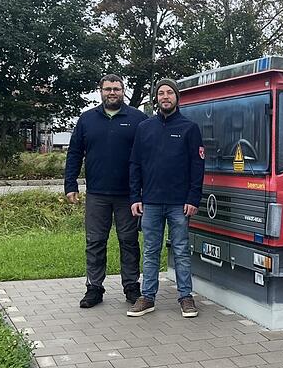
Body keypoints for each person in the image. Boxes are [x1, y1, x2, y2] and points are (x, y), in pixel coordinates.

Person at [64, 74, 147, 309]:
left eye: (117, 89)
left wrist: (144, 191)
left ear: (124, 91)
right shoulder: (87, 119)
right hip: (97, 194)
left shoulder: (138, 119)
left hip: (128, 195)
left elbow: (147, 156)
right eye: (108, 89)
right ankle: (94, 288)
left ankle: (131, 286)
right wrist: (70, 184)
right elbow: (74, 153)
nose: (112, 93)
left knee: (129, 241)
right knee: (95, 241)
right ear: (100, 91)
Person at [127, 78, 204, 318]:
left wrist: (193, 198)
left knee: (180, 250)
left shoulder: (189, 128)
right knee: (150, 250)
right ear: (156, 99)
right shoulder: (144, 128)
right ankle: (147, 297)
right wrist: (134, 196)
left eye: (170, 92)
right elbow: (135, 164)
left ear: (177, 98)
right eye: (161, 93)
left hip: (179, 204)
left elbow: (197, 167)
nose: (165, 96)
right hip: (149, 201)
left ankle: (185, 297)